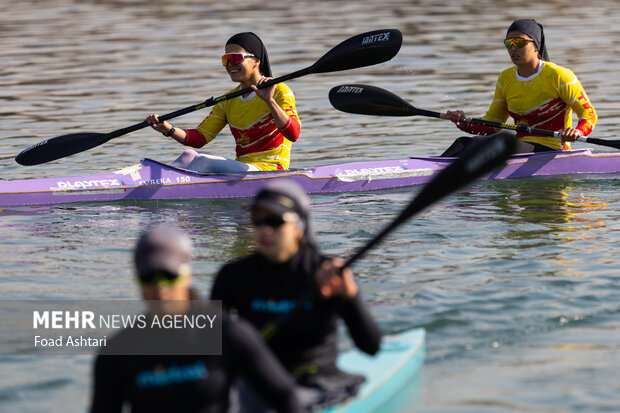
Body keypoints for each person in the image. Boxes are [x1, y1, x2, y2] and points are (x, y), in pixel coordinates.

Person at [90, 224, 300, 413]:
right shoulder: (117, 352)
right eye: (149, 278)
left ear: (188, 275)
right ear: (138, 281)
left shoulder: (227, 333)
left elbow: (286, 397)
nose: (160, 288)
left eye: (169, 276)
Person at [210, 180, 382, 411]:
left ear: (299, 227)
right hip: (255, 383)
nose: (264, 230)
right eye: (257, 221)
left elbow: (371, 346)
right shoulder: (233, 275)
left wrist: (350, 295)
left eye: (275, 221)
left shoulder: (325, 273)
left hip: (315, 382)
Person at [145, 32, 301, 173]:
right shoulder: (228, 99)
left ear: (256, 61)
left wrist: (269, 101)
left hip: (271, 169)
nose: (230, 64)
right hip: (244, 167)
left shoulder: (279, 90)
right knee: (189, 155)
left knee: (202, 161)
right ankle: (145, 183)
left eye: (236, 58)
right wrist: (168, 128)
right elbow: (200, 137)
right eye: (226, 59)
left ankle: (166, 191)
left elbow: (293, 134)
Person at [441, 18, 597, 157]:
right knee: (463, 142)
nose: (513, 48)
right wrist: (464, 122)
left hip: (553, 148)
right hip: (521, 146)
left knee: (483, 145)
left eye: (519, 42)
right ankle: (429, 170)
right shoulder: (506, 78)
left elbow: (589, 113)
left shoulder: (560, 76)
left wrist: (577, 131)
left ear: (536, 46)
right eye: (509, 43)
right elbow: (492, 124)